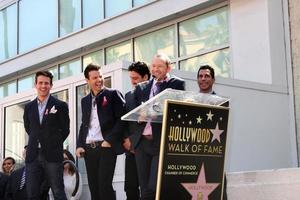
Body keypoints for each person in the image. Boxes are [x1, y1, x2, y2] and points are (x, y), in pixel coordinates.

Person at [132, 53, 185, 200]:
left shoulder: (176, 84)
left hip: (160, 141)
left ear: (168, 68)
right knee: (144, 187)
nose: (156, 69)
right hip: (141, 143)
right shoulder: (141, 87)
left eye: (160, 66)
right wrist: (139, 117)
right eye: (153, 66)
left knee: (155, 186)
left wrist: (154, 113)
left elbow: (174, 109)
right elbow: (134, 112)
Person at [75, 63, 125, 200]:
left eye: (100, 76)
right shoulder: (85, 101)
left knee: (104, 186)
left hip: (106, 147)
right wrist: (80, 144)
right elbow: (84, 125)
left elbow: (122, 120)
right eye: (94, 78)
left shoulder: (113, 94)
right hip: (89, 150)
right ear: (87, 81)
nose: (99, 80)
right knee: (94, 188)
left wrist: (109, 140)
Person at [23, 70, 70, 200]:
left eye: (47, 83)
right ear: (35, 84)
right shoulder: (28, 107)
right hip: (33, 155)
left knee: (58, 191)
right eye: (41, 83)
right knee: (33, 193)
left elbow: (65, 129)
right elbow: (29, 128)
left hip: (53, 155)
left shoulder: (60, 105)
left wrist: (53, 143)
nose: (43, 86)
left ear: (51, 85)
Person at [197, 64, 228, 200]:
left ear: (213, 80)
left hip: (213, 155)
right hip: (194, 155)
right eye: (200, 76)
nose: (203, 79)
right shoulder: (189, 100)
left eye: (207, 76)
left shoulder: (222, 102)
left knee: (218, 192)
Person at [123, 61, 151, 200]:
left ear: (145, 77)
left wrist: (134, 141)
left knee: (146, 188)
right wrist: (127, 140)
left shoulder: (153, 94)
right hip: (130, 149)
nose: (132, 81)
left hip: (147, 148)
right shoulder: (127, 95)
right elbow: (125, 121)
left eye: (135, 78)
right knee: (130, 186)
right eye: (131, 78)